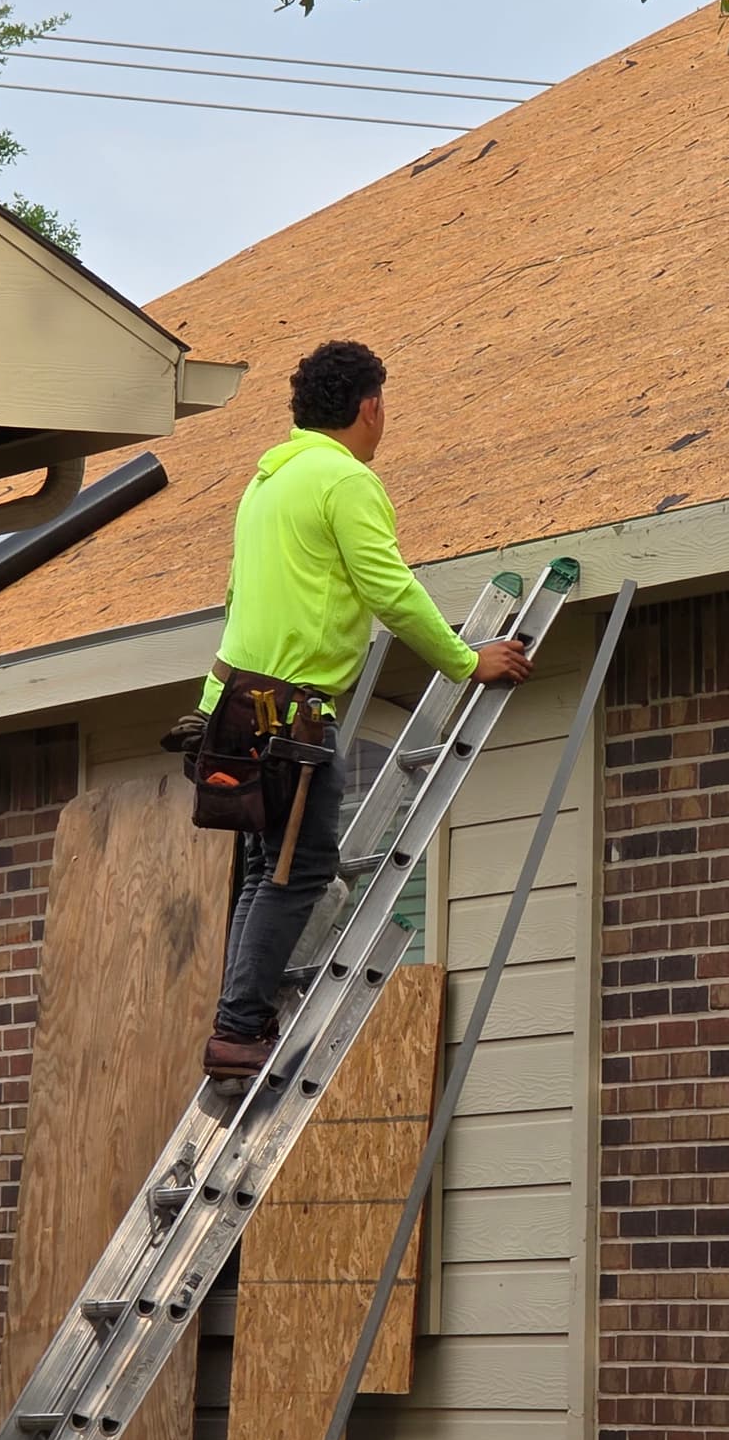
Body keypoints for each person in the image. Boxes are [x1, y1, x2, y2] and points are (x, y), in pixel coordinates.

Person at [197, 338, 530, 1079]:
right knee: (300, 870)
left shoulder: (266, 484)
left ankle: (238, 1025)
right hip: (289, 713)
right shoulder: (341, 480)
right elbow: (391, 590)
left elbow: (234, 600)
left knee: (264, 872)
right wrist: (466, 660)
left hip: (234, 705)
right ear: (370, 407)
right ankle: (238, 1029)